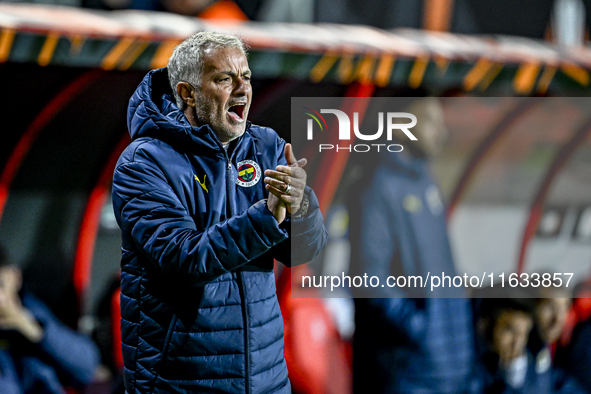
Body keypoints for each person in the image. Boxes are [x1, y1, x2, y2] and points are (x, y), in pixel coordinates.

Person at [112, 31, 327, 393]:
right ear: (187, 93)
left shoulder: (266, 146)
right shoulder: (143, 162)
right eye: (224, 79)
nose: (242, 89)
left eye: (246, 77)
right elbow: (184, 259)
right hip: (182, 382)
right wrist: (265, 216)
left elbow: (303, 251)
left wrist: (300, 205)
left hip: (266, 380)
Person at [347, 98, 477, 393]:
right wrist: (421, 327)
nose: (441, 132)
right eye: (431, 120)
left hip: (446, 364)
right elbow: (369, 279)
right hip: (407, 368)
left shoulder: (425, 180)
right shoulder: (376, 187)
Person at [0, 243, 100, 394]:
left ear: (15, 277)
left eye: (1, 285)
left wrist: (33, 329)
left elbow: (87, 365)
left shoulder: (32, 308)